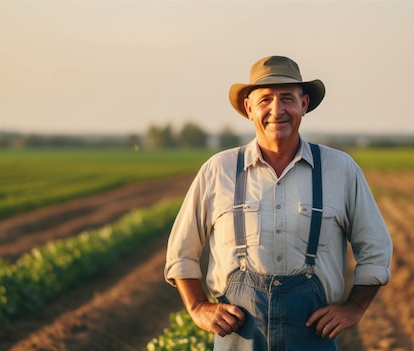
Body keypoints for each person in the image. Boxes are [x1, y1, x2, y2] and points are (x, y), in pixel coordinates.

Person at [164, 55, 392, 350]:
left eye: (287, 98)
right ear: (248, 108)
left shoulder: (340, 169)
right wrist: (197, 307)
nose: (277, 110)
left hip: (313, 336)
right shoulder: (218, 170)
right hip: (238, 338)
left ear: (304, 105)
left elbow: (376, 249)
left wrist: (355, 307)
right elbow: (181, 253)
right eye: (265, 100)